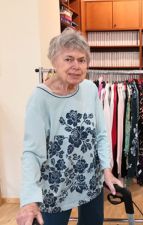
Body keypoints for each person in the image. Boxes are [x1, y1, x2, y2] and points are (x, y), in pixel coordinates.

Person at [16, 28, 122, 225]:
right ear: (54, 61)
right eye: (69, 59)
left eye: (82, 60)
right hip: (54, 188)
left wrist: (106, 170)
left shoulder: (90, 89)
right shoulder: (40, 99)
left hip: (90, 182)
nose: (76, 66)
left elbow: (100, 134)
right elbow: (32, 153)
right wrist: (29, 199)